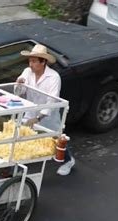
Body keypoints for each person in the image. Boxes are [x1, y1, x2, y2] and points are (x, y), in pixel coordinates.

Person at [16, 44, 75, 176]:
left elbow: (52, 100)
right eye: (30, 61)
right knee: (21, 136)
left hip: (48, 116)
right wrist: (19, 84)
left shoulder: (53, 77)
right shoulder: (27, 72)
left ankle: (68, 160)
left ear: (43, 62)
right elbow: (19, 92)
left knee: (55, 140)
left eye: (34, 61)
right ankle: (19, 167)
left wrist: (38, 118)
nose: (31, 64)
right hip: (30, 111)